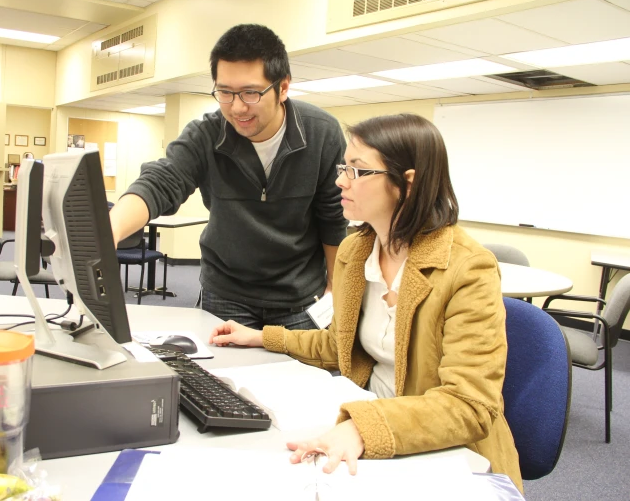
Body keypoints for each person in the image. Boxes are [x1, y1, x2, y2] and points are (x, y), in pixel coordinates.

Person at [208, 113, 523, 492]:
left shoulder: (469, 269)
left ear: (408, 183)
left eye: (357, 171)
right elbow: (337, 344)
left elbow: (469, 406)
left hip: (450, 455)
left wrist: (363, 427)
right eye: (344, 167)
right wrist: (260, 337)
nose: (340, 180)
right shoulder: (356, 251)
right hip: (370, 432)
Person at [110, 24, 347, 330]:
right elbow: (161, 181)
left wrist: (335, 289)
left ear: (283, 88)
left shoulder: (321, 133)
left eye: (250, 93)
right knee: (217, 378)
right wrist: (109, 231)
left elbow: (333, 219)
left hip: (299, 296)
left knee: (302, 375)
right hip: (227, 293)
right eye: (224, 92)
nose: (236, 108)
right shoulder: (206, 134)